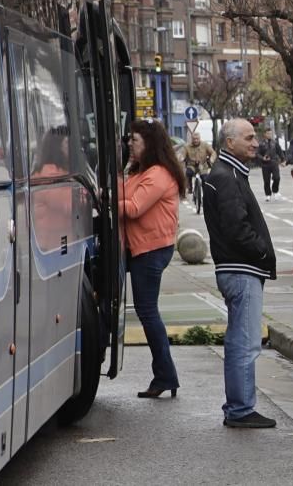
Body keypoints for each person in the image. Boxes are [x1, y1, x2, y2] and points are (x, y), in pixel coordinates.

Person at [203, 118, 277, 428]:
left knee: (239, 341)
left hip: (236, 267)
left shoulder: (227, 173)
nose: (255, 142)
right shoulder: (228, 177)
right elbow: (236, 228)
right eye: (248, 137)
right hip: (241, 268)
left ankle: (239, 406)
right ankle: (240, 409)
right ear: (229, 142)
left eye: (255, 137)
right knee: (245, 344)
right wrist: (261, 252)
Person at [121, 120, 186, 400]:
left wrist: (104, 197)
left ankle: (165, 376)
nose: (130, 145)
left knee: (147, 312)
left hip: (151, 249)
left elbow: (134, 208)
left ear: (149, 144)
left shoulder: (158, 174)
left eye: (134, 140)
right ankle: (165, 375)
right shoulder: (142, 171)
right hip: (140, 248)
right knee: (146, 311)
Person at [257, 128, 284, 201]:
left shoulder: (274, 143)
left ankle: (275, 190)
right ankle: (268, 194)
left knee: (277, 177)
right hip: (265, 164)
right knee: (266, 180)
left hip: (274, 162)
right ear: (265, 134)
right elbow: (257, 153)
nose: (270, 135)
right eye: (268, 133)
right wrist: (263, 158)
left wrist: (283, 160)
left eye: (271, 133)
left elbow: (280, 152)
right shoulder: (261, 144)